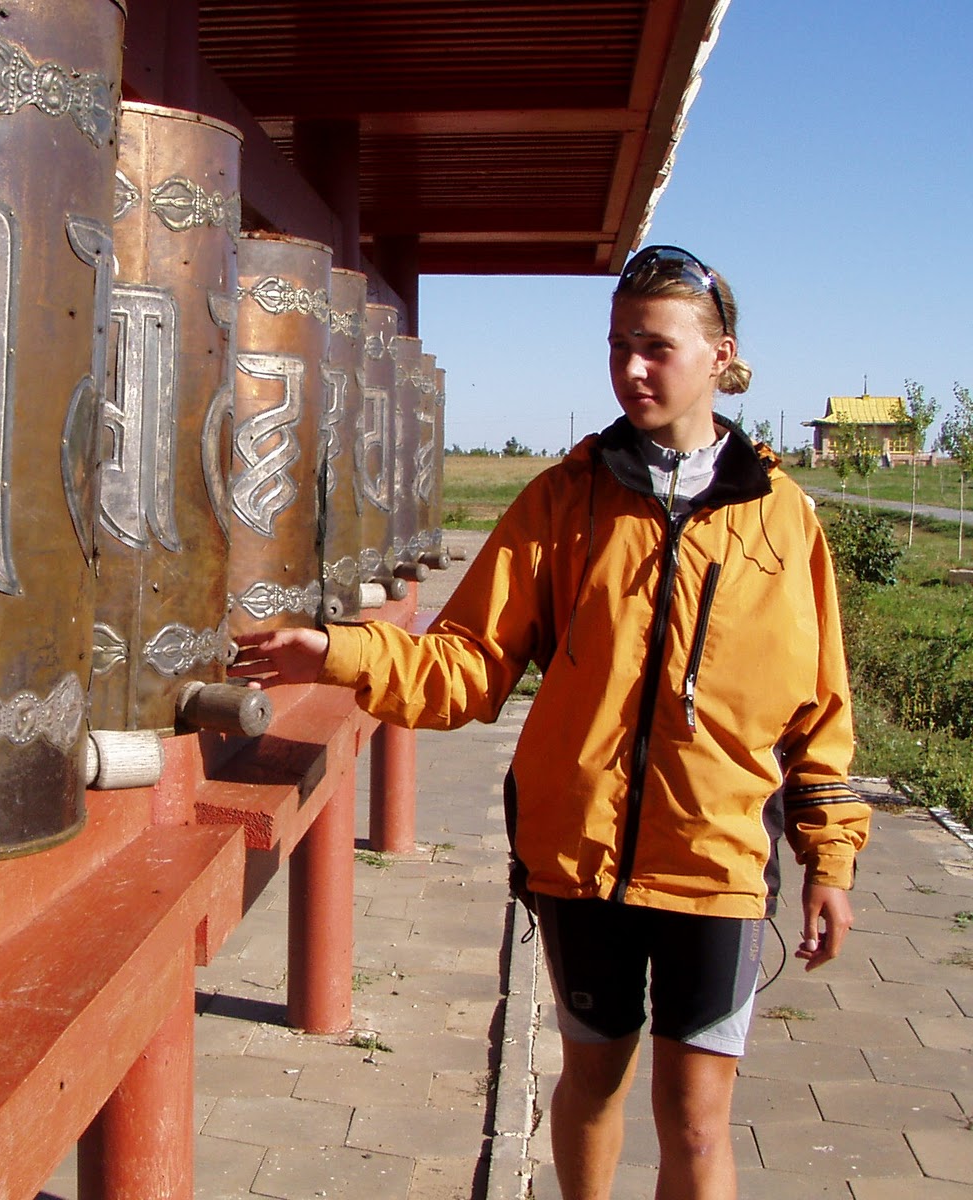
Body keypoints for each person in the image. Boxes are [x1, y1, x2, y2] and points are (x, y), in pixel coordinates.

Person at [228, 245, 870, 1200]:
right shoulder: (562, 503)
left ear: (721, 355)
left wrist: (830, 861)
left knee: (697, 1122)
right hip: (580, 859)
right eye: (617, 346)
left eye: (656, 347)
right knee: (594, 1083)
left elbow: (820, 711)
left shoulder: (783, 520)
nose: (631, 369)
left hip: (719, 862)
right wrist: (342, 653)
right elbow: (468, 664)